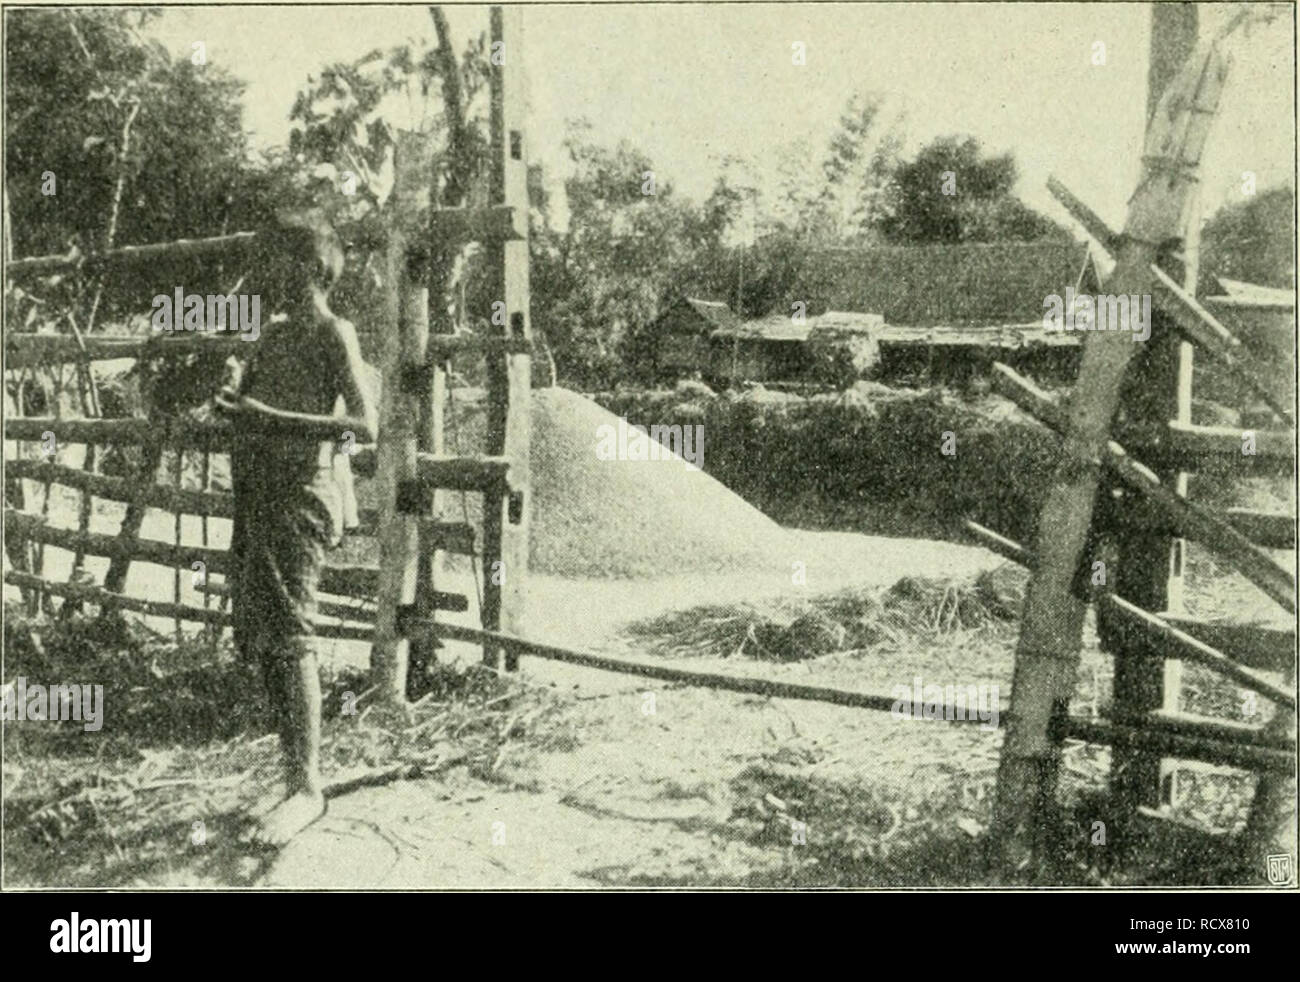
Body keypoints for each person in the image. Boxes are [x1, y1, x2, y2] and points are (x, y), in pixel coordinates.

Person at [216, 209, 377, 847]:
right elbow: (245, 411)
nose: (262, 274)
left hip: (302, 496)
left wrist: (269, 416)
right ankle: (292, 778)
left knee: (292, 636)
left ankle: (307, 787)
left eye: (273, 262)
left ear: (310, 268)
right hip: (259, 495)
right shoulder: (271, 337)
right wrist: (231, 398)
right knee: (263, 637)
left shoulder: (334, 334)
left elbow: (364, 426)